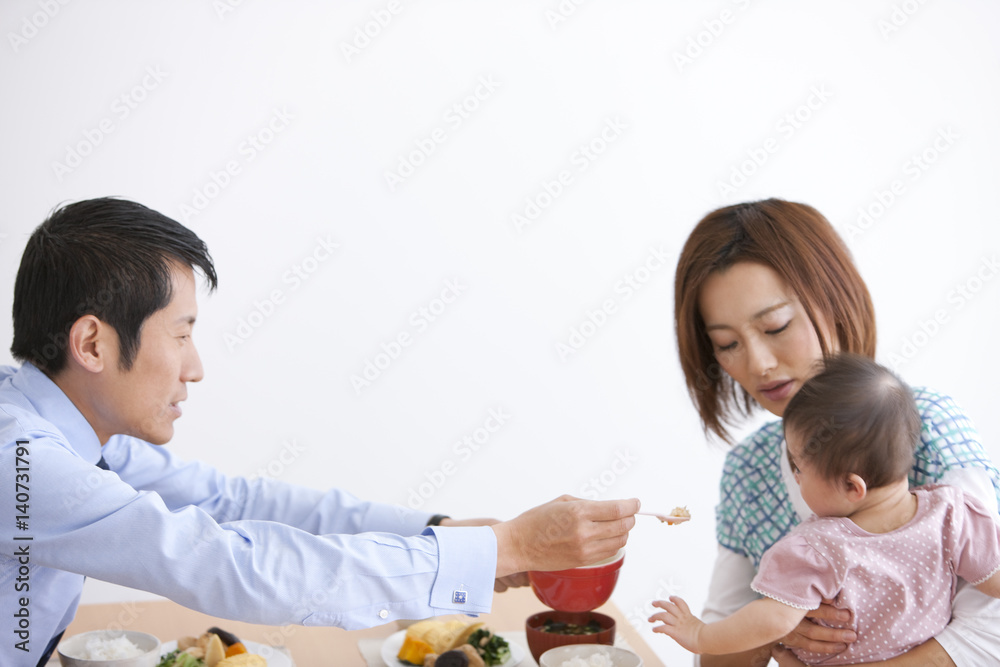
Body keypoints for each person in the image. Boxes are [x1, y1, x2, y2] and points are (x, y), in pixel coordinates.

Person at [0, 197, 640, 667]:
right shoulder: (24, 463)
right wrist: (507, 549)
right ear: (93, 344)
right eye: (181, 334)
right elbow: (232, 566)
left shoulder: (69, 434)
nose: (195, 368)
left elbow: (233, 503)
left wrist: (445, 533)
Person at [670, 198, 1000, 667]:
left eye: (776, 326)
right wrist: (772, 628)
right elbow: (717, 651)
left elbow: (991, 629)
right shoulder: (748, 472)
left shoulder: (924, 425)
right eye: (727, 343)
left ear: (834, 300)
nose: (759, 363)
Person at [650, 354, 1000, 664]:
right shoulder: (953, 514)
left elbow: (772, 620)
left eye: (799, 468)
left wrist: (700, 634)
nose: (795, 477)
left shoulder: (818, 548)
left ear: (852, 487)